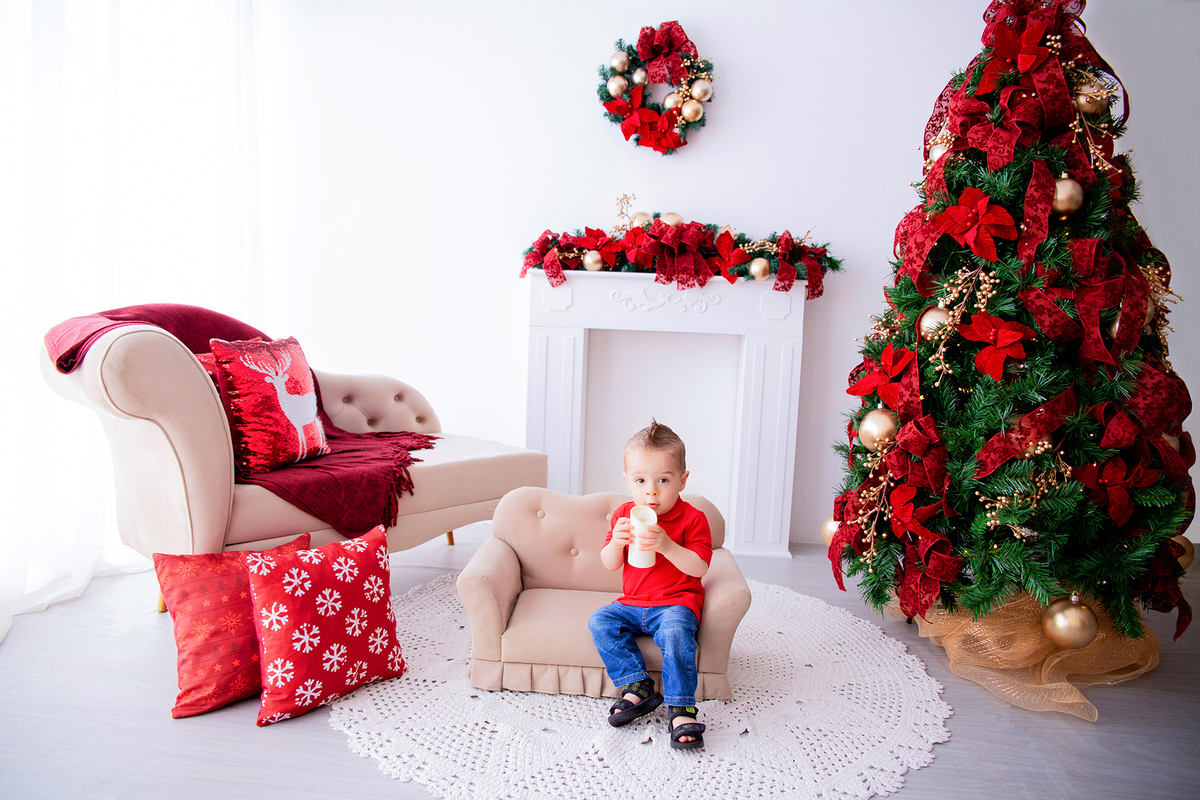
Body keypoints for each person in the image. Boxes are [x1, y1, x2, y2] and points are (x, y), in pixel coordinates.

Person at [587, 420, 713, 751]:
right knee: (600, 620)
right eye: (641, 480)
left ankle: (681, 708)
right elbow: (610, 563)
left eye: (663, 480)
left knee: (675, 634)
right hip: (633, 603)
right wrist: (616, 541)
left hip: (675, 603)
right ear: (628, 481)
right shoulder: (625, 515)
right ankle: (637, 685)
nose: (651, 491)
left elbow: (700, 566)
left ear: (682, 480)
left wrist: (668, 546)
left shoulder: (693, 519)